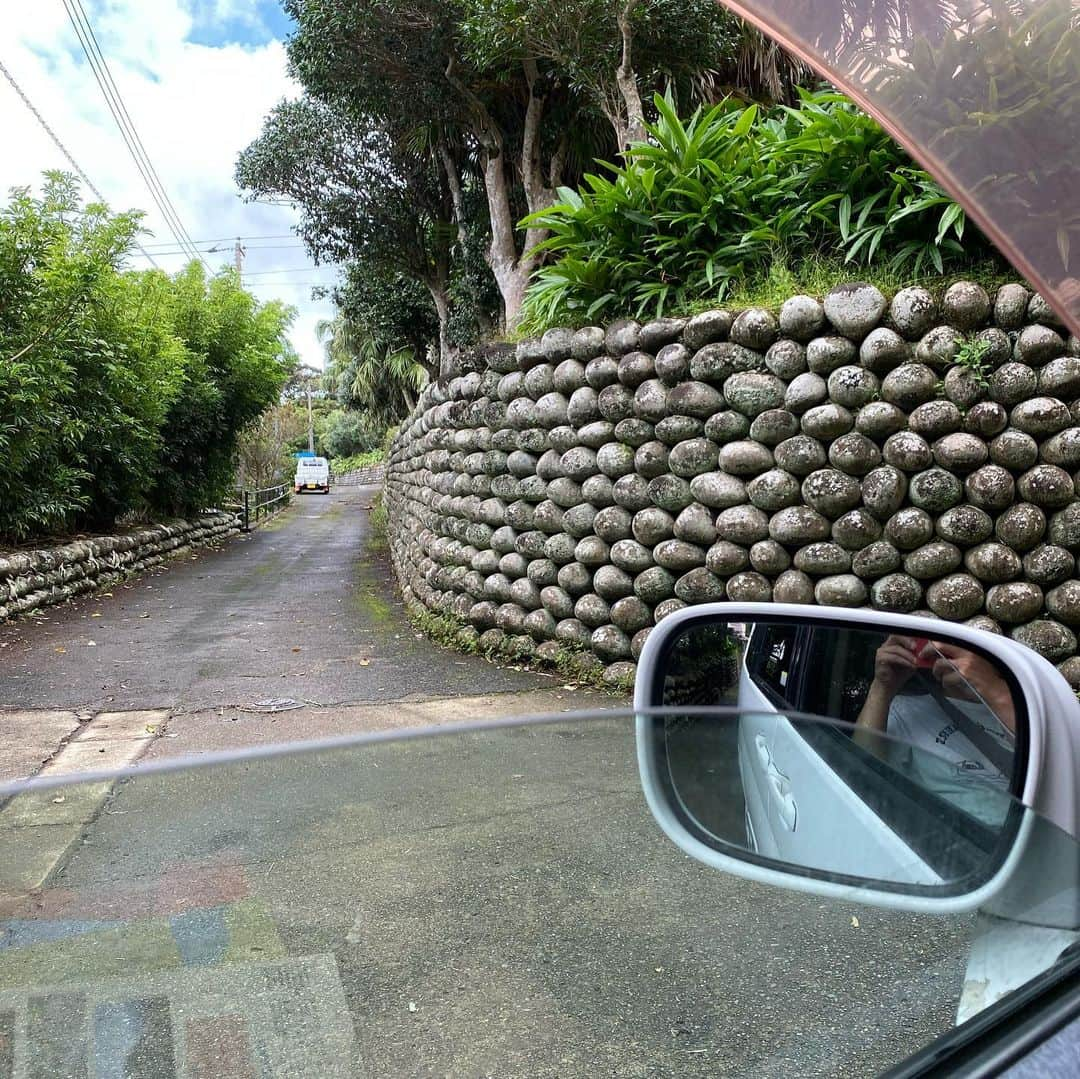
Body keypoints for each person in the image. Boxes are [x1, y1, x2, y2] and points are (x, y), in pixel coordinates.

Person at [854, 635, 1016, 823]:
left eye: (964, 638)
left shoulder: (1022, 698)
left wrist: (993, 688)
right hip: (967, 838)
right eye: (938, 640)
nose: (948, 647)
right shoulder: (905, 711)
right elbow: (863, 778)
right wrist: (882, 687)